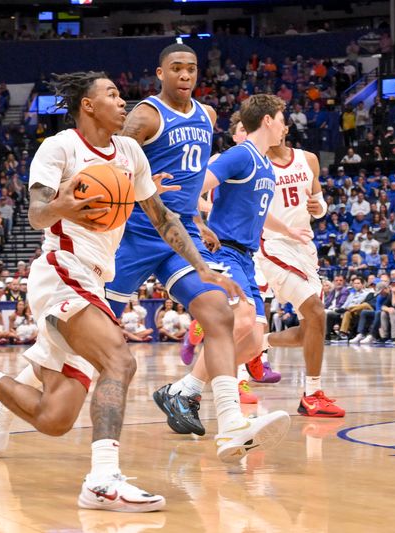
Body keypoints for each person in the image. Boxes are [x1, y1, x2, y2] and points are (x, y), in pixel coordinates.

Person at [0, 70, 267, 513]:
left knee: (54, 418)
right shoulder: (59, 147)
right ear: (88, 105)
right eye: (113, 95)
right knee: (119, 358)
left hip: (97, 276)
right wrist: (63, 205)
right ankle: (102, 479)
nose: (123, 103)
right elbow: (39, 214)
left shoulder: (131, 152)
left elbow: (161, 218)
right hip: (61, 271)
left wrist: (203, 269)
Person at [104, 44, 290, 441]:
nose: (185, 75)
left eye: (191, 68)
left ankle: (230, 422)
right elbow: (112, 158)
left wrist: (197, 218)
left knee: (220, 313)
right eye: (176, 68)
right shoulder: (146, 114)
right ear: (160, 73)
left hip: (179, 234)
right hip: (134, 232)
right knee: (87, 336)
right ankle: (9, 389)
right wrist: (136, 183)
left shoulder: (207, 115)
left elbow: (190, 183)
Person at [157, 93, 297, 415]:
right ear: (266, 121)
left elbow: (258, 214)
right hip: (225, 252)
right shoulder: (240, 156)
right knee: (241, 319)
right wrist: (197, 222)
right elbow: (194, 186)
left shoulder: (266, 165)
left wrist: (288, 231)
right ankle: (197, 397)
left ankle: (183, 389)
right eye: (281, 120)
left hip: (247, 258)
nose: (284, 127)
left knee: (253, 341)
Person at [255, 127, 346, 417]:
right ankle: (313, 393)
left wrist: (319, 206)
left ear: (284, 127)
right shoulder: (256, 164)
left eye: (279, 122)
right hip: (273, 246)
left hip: (305, 248)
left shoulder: (308, 159)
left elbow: (319, 208)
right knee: (318, 312)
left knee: (311, 329)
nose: (275, 128)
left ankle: (259, 343)